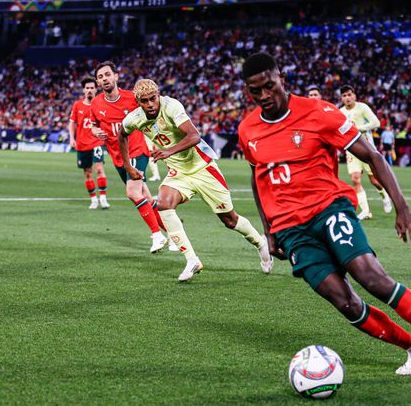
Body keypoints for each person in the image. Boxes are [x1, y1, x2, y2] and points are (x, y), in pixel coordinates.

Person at [239, 52, 411, 376]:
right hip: (291, 229)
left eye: (269, 86)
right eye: (256, 91)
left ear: (282, 78)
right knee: (347, 304)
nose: (264, 96)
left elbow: (373, 155)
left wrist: (402, 207)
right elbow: (258, 178)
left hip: (329, 209)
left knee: (371, 278)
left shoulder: (320, 113)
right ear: (248, 91)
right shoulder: (248, 129)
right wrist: (269, 230)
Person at [120, 79, 273, 281]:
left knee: (229, 219)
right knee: (163, 204)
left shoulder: (171, 106)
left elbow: (194, 135)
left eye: (152, 99)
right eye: (144, 101)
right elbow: (122, 135)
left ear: (158, 96)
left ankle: (260, 243)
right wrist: (129, 167)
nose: (150, 105)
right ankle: (192, 260)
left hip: (203, 168)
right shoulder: (135, 118)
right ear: (138, 102)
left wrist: (169, 151)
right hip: (178, 172)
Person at [90, 62, 172, 253]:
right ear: (97, 81)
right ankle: (174, 235)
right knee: (146, 198)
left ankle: (157, 236)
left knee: (133, 193)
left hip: (136, 150)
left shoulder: (131, 98)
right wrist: (95, 132)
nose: (104, 79)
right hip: (118, 157)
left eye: (107, 74)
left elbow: (152, 110)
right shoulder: (96, 103)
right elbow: (94, 124)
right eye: (100, 77)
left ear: (116, 76)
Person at [339, 86, 392, 218]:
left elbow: (376, 123)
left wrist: (358, 129)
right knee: (355, 179)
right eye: (344, 96)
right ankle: (366, 211)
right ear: (341, 98)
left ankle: (384, 195)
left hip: (366, 148)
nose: (347, 98)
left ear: (354, 96)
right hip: (351, 150)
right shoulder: (340, 112)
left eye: (349, 95)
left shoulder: (362, 107)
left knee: (375, 181)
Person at [69, 77, 110, 209]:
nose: (90, 90)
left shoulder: (101, 104)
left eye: (92, 88)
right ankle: (93, 199)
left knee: (99, 168)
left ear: (96, 89)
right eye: (87, 88)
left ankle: (103, 198)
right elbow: (72, 123)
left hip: (96, 142)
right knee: (87, 173)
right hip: (82, 144)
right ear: (83, 90)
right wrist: (71, 138)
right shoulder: (77, 105)